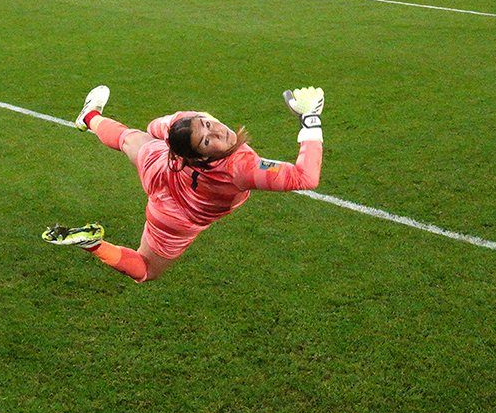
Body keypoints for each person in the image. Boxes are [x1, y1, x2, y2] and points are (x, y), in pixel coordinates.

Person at [42, 85, 324, 282]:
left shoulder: (182, 124)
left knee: (130, 138)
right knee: (146, 269)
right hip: (178, 217)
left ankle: (90, 117)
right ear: (199, 156)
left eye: (207, 124)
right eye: (205, 139)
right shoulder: (240, 167)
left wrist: (176, 139)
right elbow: (306, 177)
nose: (217, 131)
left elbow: (155, 128)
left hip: (162, 169)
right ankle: (93, 245)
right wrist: (310, 121)